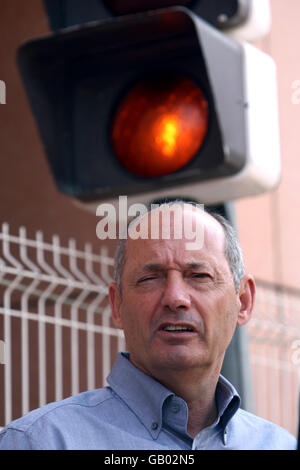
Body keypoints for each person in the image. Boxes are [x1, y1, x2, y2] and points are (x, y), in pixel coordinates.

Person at [0, 202, 297, 450]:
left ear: (243, 301)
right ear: (117, 306)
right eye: (150, 278)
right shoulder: (42, 442)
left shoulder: (278, 445)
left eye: (199, 275)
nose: (176, 298)